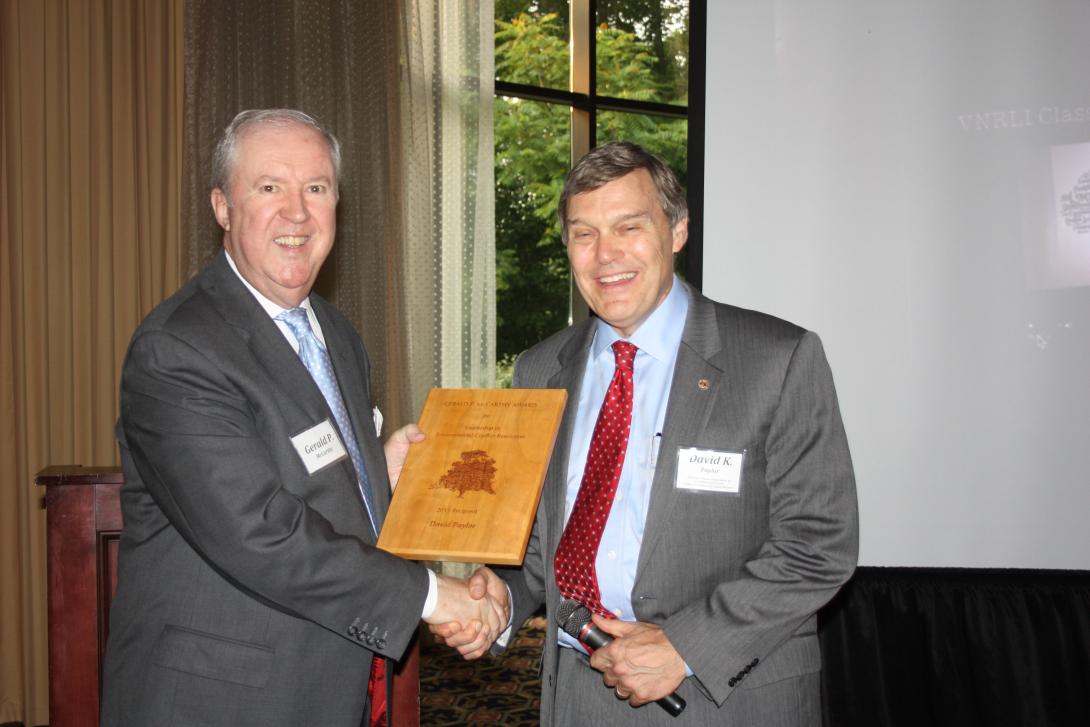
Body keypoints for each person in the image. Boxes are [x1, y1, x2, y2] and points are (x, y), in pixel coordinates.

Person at [101, 109, 506, 727]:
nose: (297, 212)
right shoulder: (178, 348)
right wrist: (431, 595)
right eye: (270, 188)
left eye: (316, 188)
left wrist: (379, 472)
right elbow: (257, 531)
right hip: (220, 698)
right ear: (221, 206)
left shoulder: (336, 335)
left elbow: (309, 472)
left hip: (329, 683)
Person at [433, 141, 858, 725]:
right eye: (584, 234)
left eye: (628, 227)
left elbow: (818, 544)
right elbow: (539, 541)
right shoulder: (540, 369)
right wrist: (501, 595)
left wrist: (685, 645)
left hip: (724, 695)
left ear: (678, 230)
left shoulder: (776, 360)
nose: (605, 255)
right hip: (579, 694)